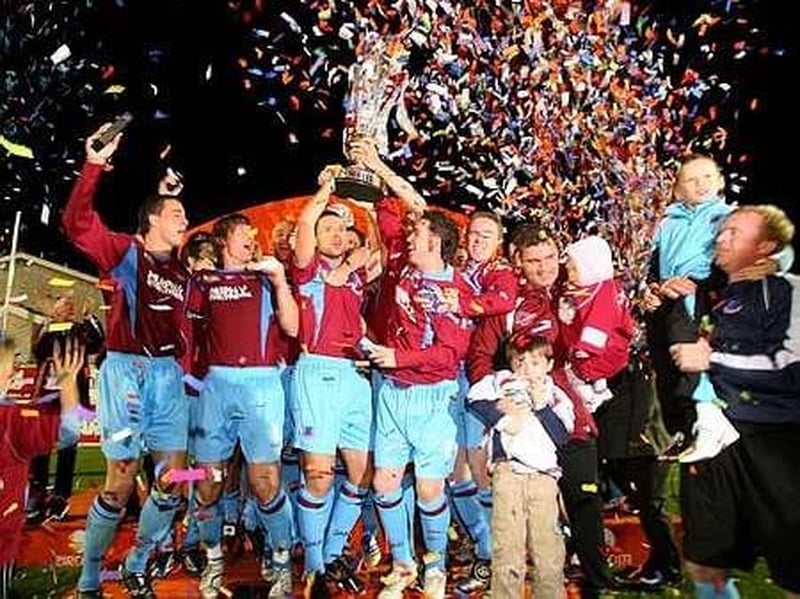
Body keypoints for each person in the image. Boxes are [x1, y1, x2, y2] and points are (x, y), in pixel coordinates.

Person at [63, 122, 191, 599]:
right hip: (126, 375)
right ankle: (91, 575)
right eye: (177, 213)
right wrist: (94, 165)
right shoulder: (125, 253)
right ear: (152, 220)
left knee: (177, 477)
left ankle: (139, 562)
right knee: (119, 480)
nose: (185, 218)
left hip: (168, 378)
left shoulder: (181, 271)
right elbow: (77, 225)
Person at [467, 224, 611, 598]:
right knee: (517, 522)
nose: (545, 267)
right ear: (517, 260)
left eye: (550, 257)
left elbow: (607, 335)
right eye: (534, 260)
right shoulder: (508, 302)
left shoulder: (577, 288)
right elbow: (480, 356)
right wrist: (496, 406)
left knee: (583, 497)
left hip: (570, 414)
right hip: (525, 424)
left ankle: (597, 581)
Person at [670, 205, 799, 599]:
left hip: (774, 439)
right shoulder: (711, 294)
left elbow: (791, 367)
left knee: (795, 564)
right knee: (705, 557)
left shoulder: (788, 289)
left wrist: (714, 359)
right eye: (722, 231)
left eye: (735, 233)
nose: (721, 238)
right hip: (716, 438)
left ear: (766, 246)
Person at [185, 213, 299, 599]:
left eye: (254, 234)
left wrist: (281, 280)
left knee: (265, 481)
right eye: (243, 234)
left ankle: (281, 560)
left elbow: (293, 328)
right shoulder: (203, 282)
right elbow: (187, 333)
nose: (252, 240)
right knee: (208, 484)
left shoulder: (267, 278)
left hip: (262, 384)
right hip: (216, 387)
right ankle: (212, 556)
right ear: (222, 242)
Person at [364, 198, 473, 599]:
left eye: (418, 234)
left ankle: (436, 565)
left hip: (433, 398)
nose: (409, 238)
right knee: (384, 482)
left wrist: (399, 356)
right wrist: (373, 169)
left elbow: (450, 354)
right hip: (394, 393)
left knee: (429, 490)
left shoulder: (455, 289)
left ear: (436, 244)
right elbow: (390, 216)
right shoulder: (405, 268)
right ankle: (403, 563)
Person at [290, 167, 375, 596]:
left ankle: (334, 548)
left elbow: (378, 248)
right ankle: (316, 565)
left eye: (343, 229)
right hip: (317, 373)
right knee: (319, 475)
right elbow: (305, 224)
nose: (338, 235)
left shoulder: (358, 272)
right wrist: (325, 191)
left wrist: (366, 204)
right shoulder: (306, 269)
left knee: (363, 474)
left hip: (355, 377)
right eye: (330, 227)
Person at [644, 153, 738, 462]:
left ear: (720, 182)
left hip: (700, 298)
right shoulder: (667, 223)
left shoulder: (726, 217)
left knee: (685, 350)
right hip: (667, 300)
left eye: (707, 177)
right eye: (691, 179)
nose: (700, 185)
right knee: (663, 358)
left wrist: (697, 283)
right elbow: (653, 267)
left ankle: (708, 415)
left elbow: (730, 264)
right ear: (677, 189)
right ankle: (684, 427)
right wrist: (654, 289)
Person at [468, 333, 574, 599]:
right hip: (509, 472)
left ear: (549, 364)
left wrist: (540, 406)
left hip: (543, 477)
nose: (527, 369)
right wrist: (500, 415)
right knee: (507, 545)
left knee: (547, 546)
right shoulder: (501, 382)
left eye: (535, 362)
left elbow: (562, 436)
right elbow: (474, 399)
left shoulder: (556, 394)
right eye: (520, 361)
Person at [1, 336, 84, 598]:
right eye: (9, 364)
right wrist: (67, 383)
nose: (15, 371)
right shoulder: (12, 422)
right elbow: (69, 432)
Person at [27, 294, 104, 524]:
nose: (68, 307)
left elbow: (98, 343)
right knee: (40, 450)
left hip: (70, 400)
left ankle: (60, 499)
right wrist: (46, 322)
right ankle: (36, 495)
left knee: (67, 450)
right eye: (63, 304)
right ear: (55, 309)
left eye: (71, 305)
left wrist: (90, 316)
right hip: (46, 399)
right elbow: (37, 349)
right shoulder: (46, 330)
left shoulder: (80, 330)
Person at [558, 235, 635, 414]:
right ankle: (596, 389)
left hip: (601, 351)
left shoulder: (603, 292)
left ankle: (596, 390)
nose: (569, 271)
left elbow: (600, 320)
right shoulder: (585, 287)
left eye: (573, 268)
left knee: (589, 371)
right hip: (583, 351)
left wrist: (587, 346)